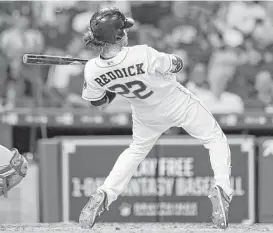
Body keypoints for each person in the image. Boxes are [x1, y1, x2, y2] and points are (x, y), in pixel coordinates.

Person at [79, 7, 233, 230]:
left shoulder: (92, 70)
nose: (127, 32)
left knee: (136, 151)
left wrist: (111, 84)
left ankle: (105, 192)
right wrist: (174, 60)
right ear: (117, 35)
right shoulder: (142, 53)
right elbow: (177, 64)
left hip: (145, 115)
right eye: (123, 29)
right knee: (214, 139)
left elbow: (98, 102)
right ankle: (223, 189)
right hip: (177, 104)